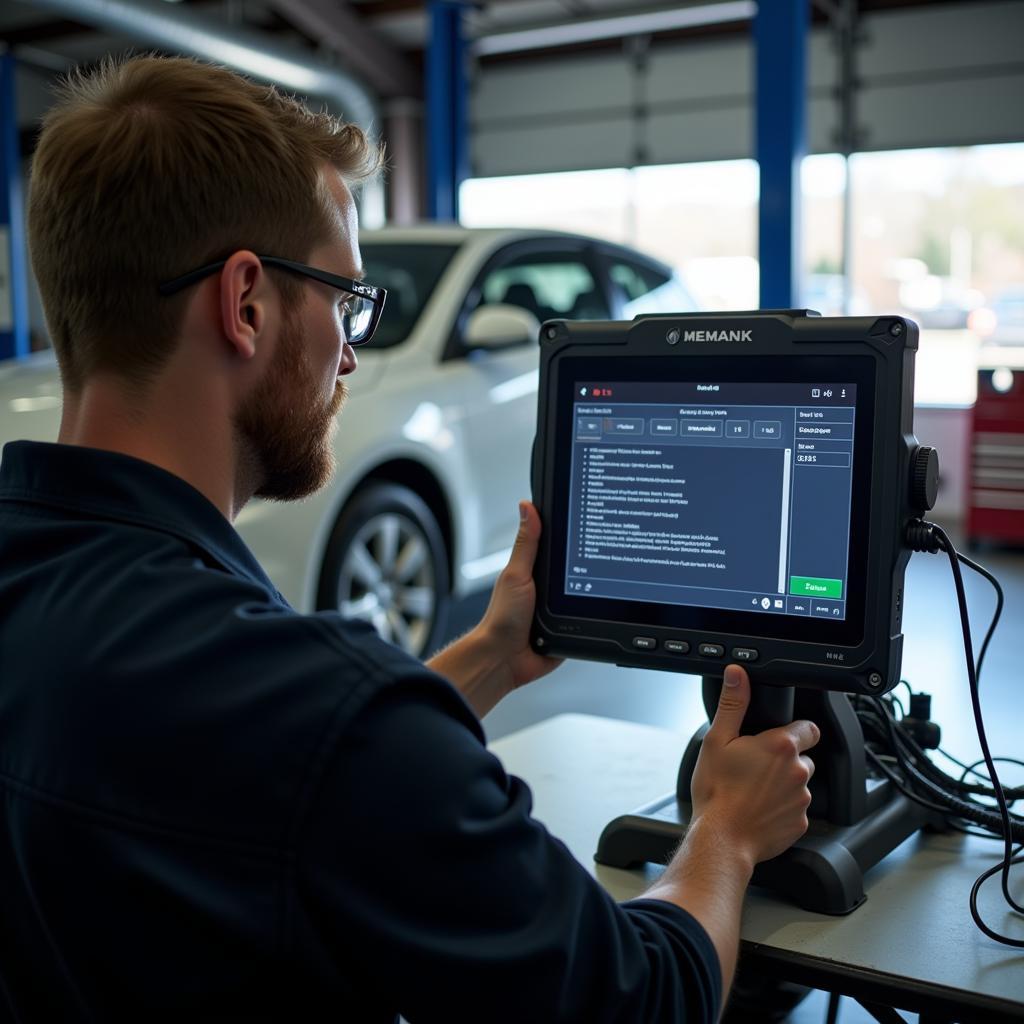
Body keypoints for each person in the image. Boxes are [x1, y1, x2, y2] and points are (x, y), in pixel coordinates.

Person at [0, 56, 819, 1021]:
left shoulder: (89, 617)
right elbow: (640, 999)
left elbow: (265, 771)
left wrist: (490, 659)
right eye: (345, 300)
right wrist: (725, 830)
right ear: (247, 302)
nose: (349, 352)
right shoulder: (306, 699)